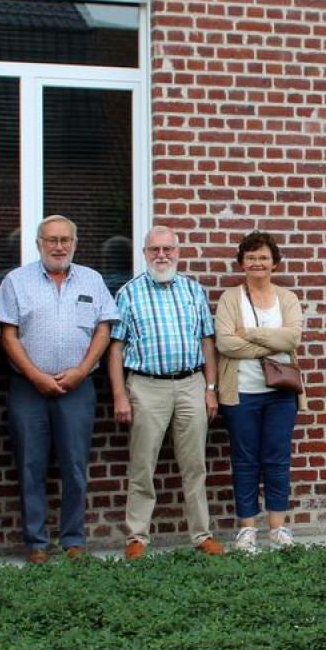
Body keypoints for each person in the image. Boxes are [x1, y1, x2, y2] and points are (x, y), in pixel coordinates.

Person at [0, 215, 119, 563]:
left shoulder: (93, 281)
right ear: (38, 244)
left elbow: (103, 330)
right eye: (51, 240)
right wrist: (35, 375)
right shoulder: (16, 282)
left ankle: (73, 539)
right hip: (28, 387)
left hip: (78, 387)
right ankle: (36, 543)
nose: (59, 246)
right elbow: (8, 335)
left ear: (75, 244)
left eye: (65, 240)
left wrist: (82, 371)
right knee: (30, 465)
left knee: (75, 466)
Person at [109, 225, 225, 558]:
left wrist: (211, 388)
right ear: (144, 254)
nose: (162, 256)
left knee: (195, 465)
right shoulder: (129, 293)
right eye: (154, 250)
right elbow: (116, 349)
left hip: (191, 384)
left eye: (167, 249)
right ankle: (137, 537)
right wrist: (120, 395)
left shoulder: (193, 291)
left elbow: (207, 342)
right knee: (143, 465)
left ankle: (201, 534)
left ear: (177, 252)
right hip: (146, 386)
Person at [215, 231, 305, 552]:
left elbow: (292, 339)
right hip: (241, 393)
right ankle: (247, 529)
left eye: (263, 257)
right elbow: (225, 342)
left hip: (281, 393)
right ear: (241, 262)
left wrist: (250, 334)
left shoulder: (288, 298)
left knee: (277, 458)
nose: (257, 263)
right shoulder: (230, 298)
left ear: (275, 263)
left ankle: (278, 529)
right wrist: (270, 342)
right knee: (245, 460)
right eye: (251, 257)